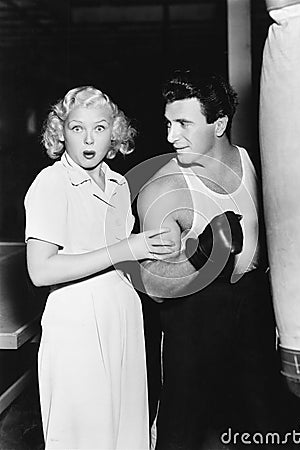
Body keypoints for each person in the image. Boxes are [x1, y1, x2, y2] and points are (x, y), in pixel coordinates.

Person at [24, 86, 173, 450]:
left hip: (123, 315)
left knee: (127, 435)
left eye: (100, 128)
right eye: (77, 128)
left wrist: (161, 250)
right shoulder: (51, 182)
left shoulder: (120, 185)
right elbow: (40, 271)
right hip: (75, 322)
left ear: (115, 134)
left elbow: (124, 261)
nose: (89, 139)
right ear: (61, 133)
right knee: (82, 438)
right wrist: (127, 247)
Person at [137, 70, 279, 449]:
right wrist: (204, 255)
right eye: (168, 123)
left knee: (264, 424)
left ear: (219, 123)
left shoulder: (259, 166)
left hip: (254, 307)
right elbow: (153, 285)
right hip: (193, 314)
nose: (170, 136)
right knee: (181, 432)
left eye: (183, 123)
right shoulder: (163, 189)